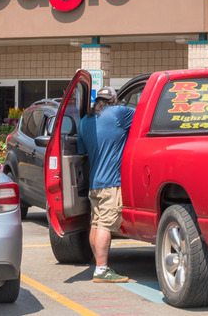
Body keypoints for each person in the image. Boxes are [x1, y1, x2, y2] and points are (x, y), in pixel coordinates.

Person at [77, 86, 135, 283]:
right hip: (111, 182)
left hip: (94, 183)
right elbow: (147, 116)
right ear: (114, 100)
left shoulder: (85, 121)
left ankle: (98, 265)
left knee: (96, 223)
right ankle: (102, 270)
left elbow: (81, 149)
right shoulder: (119, 113)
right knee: (105, 226)